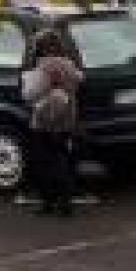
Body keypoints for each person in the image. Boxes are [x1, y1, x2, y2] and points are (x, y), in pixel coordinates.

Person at [19, 30, 84, 217]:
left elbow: (30, 94)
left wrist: (27, 82)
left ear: (41, 49)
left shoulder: (44, 68)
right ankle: (65, 203)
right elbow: (79, 80)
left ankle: (48, 202)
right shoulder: (70, 66)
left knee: (44, 163)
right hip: (66, 118)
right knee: (63, 160)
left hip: (44, 120)